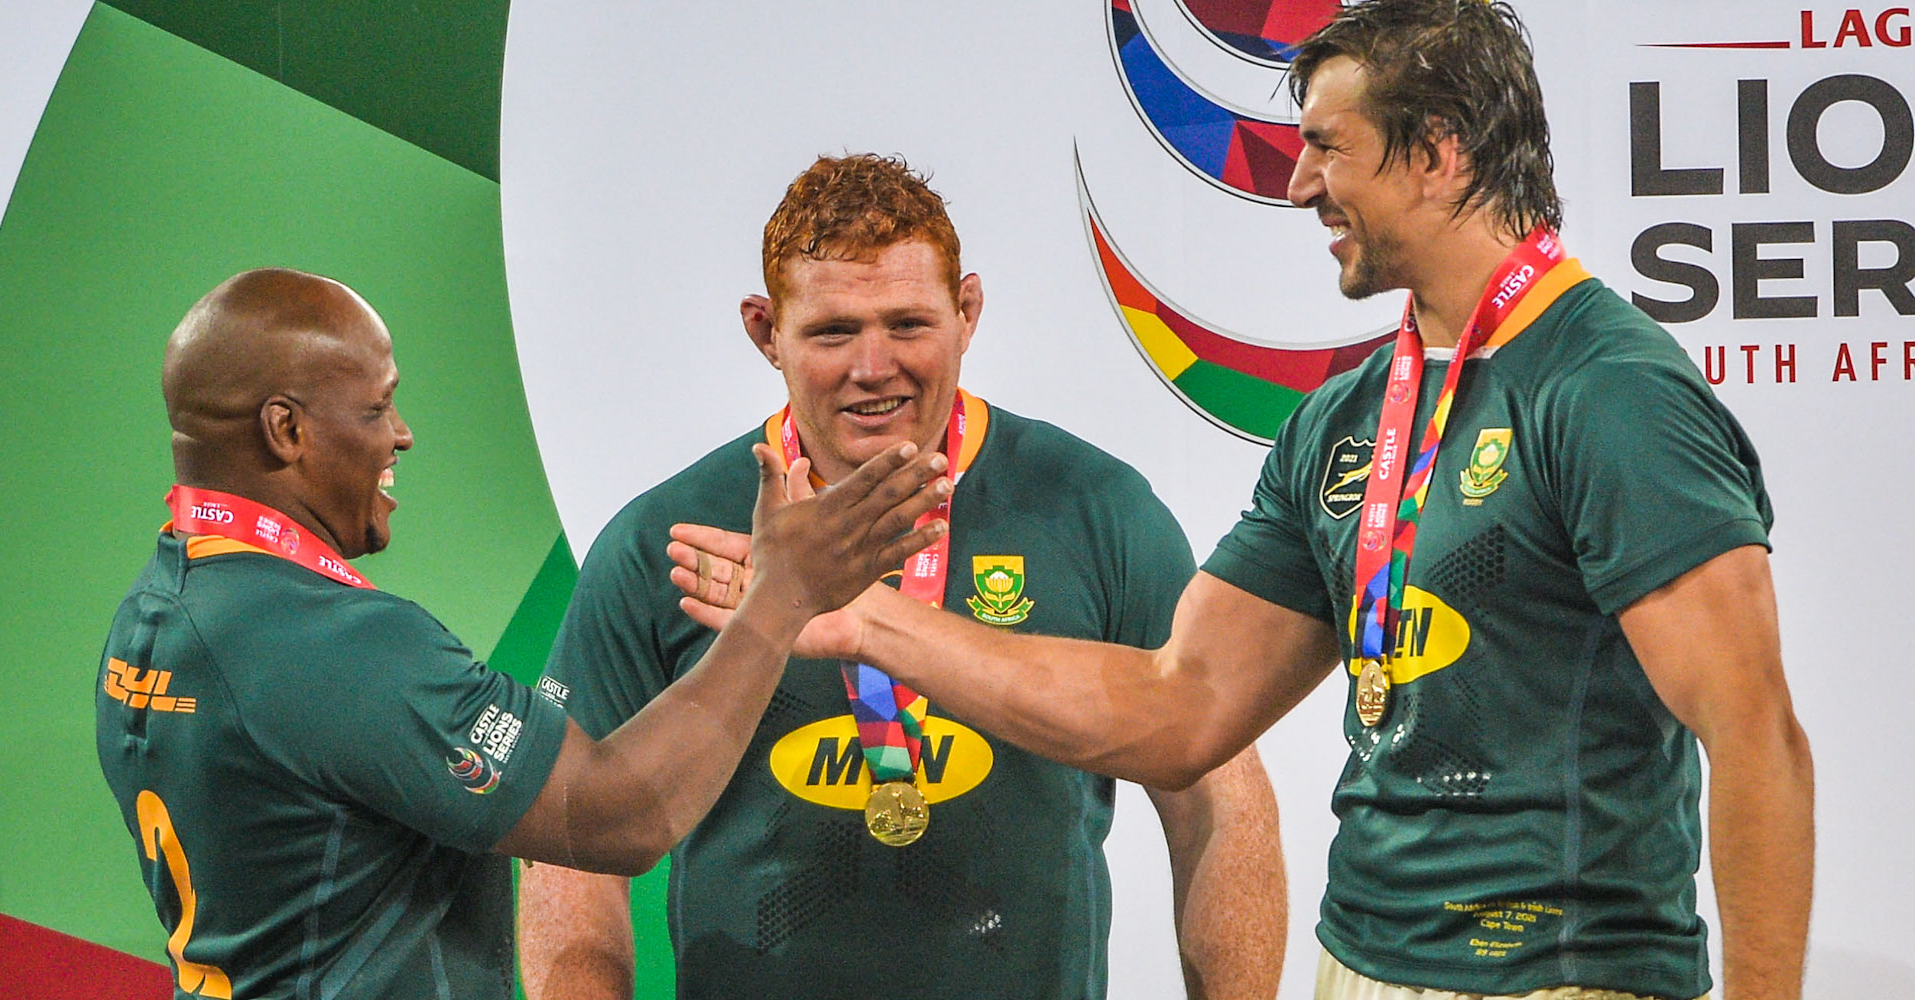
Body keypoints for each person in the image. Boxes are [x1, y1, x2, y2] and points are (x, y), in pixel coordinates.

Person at [668, 5, 1814, 1000]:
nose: (1298, 180)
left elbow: (1753, 739)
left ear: (1438, 155)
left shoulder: (1607, 393)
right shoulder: (1345, 417)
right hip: (1358, 959)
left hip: (1566, 973)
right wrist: (866, 619)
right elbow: (1179, 707)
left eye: (1326, 147)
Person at [517, 154, 1288, 1000]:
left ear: (968, 312)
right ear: (764, 330)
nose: (874, 367)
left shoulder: (1095, 510)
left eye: (909, 324)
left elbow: (1220, 804)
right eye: (833, 332)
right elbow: (567, 853)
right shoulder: (668, 539)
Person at [94, 267, 950, 1000]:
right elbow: (618, 813)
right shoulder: (335, 649)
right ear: (286, 430)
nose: (401, 434)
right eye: (377, 407)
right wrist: (783, 600)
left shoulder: (154, 613)